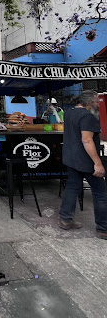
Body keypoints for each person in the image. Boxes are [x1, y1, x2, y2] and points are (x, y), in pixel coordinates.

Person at [59, 90, 107, 239]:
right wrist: (97, 163)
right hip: (85, 161)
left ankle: (66, 219)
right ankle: (103, 229)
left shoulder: (69, 113)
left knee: (72, 187)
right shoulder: (87, 116)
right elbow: (87, 140)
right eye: (95, 100)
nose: (98, 103)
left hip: (71, 159)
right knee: (100, 193)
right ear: (87, 102)